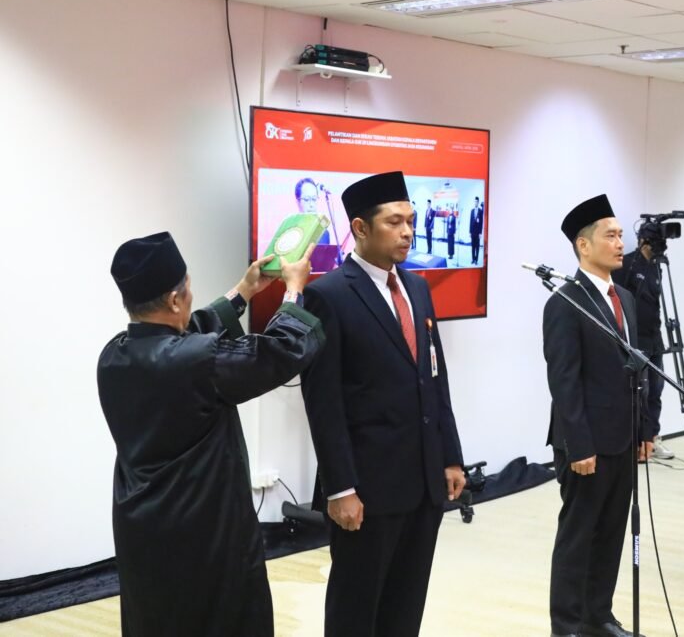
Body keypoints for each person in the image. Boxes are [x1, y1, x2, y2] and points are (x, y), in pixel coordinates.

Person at [97, 232, 322, 636]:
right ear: (174, 300)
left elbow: (186, 333)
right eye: (187, 289)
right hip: (206, 534)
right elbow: (281, 351)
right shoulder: (196, 362)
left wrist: (244, 291)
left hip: (144, 533)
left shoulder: (113, 356)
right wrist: (293, 292)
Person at [299, 171, 465, 637]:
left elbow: (435, 378)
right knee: (356, 610)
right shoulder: (329, 295)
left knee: (405, 607)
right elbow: (323, 402)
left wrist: (450, 455)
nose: (408, 232)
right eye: (394, 222)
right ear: (360, 228)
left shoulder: (418, 289)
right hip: (367, 489)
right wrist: (340, 489)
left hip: (423, 483)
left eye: (410, 221)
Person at [544, 193, 653, 637]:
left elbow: (637, 371)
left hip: (623, 437)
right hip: (585, 442)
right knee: (579, 536)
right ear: (583, 245)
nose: (621, 243)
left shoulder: (623, 296)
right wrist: (579, 445)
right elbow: (564, 382)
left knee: (611, 533)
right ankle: (567, 625)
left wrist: (645, 429)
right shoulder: (565, 302)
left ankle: (598, 616)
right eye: (610, 235)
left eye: (621, 235)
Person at [612, 232, 674, 460]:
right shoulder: (627, 264)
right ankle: (637, 441)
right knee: (641, 392)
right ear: (643, 240)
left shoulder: (656, 267)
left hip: (655, 338)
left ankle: (652, 439)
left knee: (656, 390)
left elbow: (655, 304)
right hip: (637, 340)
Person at [295, 177, 330, 244]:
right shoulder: (292, 231)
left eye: (314, 199)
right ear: (298, 202)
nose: (311, 205)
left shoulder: (324, 233)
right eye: (306, 199)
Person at [469, 196, 484, 264]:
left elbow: (481, 223)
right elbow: (470, 221)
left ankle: (476, 260)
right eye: (475, 202)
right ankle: (473, 259)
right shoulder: (472, 211)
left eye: (476, 202)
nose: (475, 203)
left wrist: (480, 233)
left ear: (478, 202)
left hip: (478, 232)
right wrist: (470, 232)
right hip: (472, 232)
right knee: (473, 246)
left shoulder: (480, 211)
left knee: (477, 246)